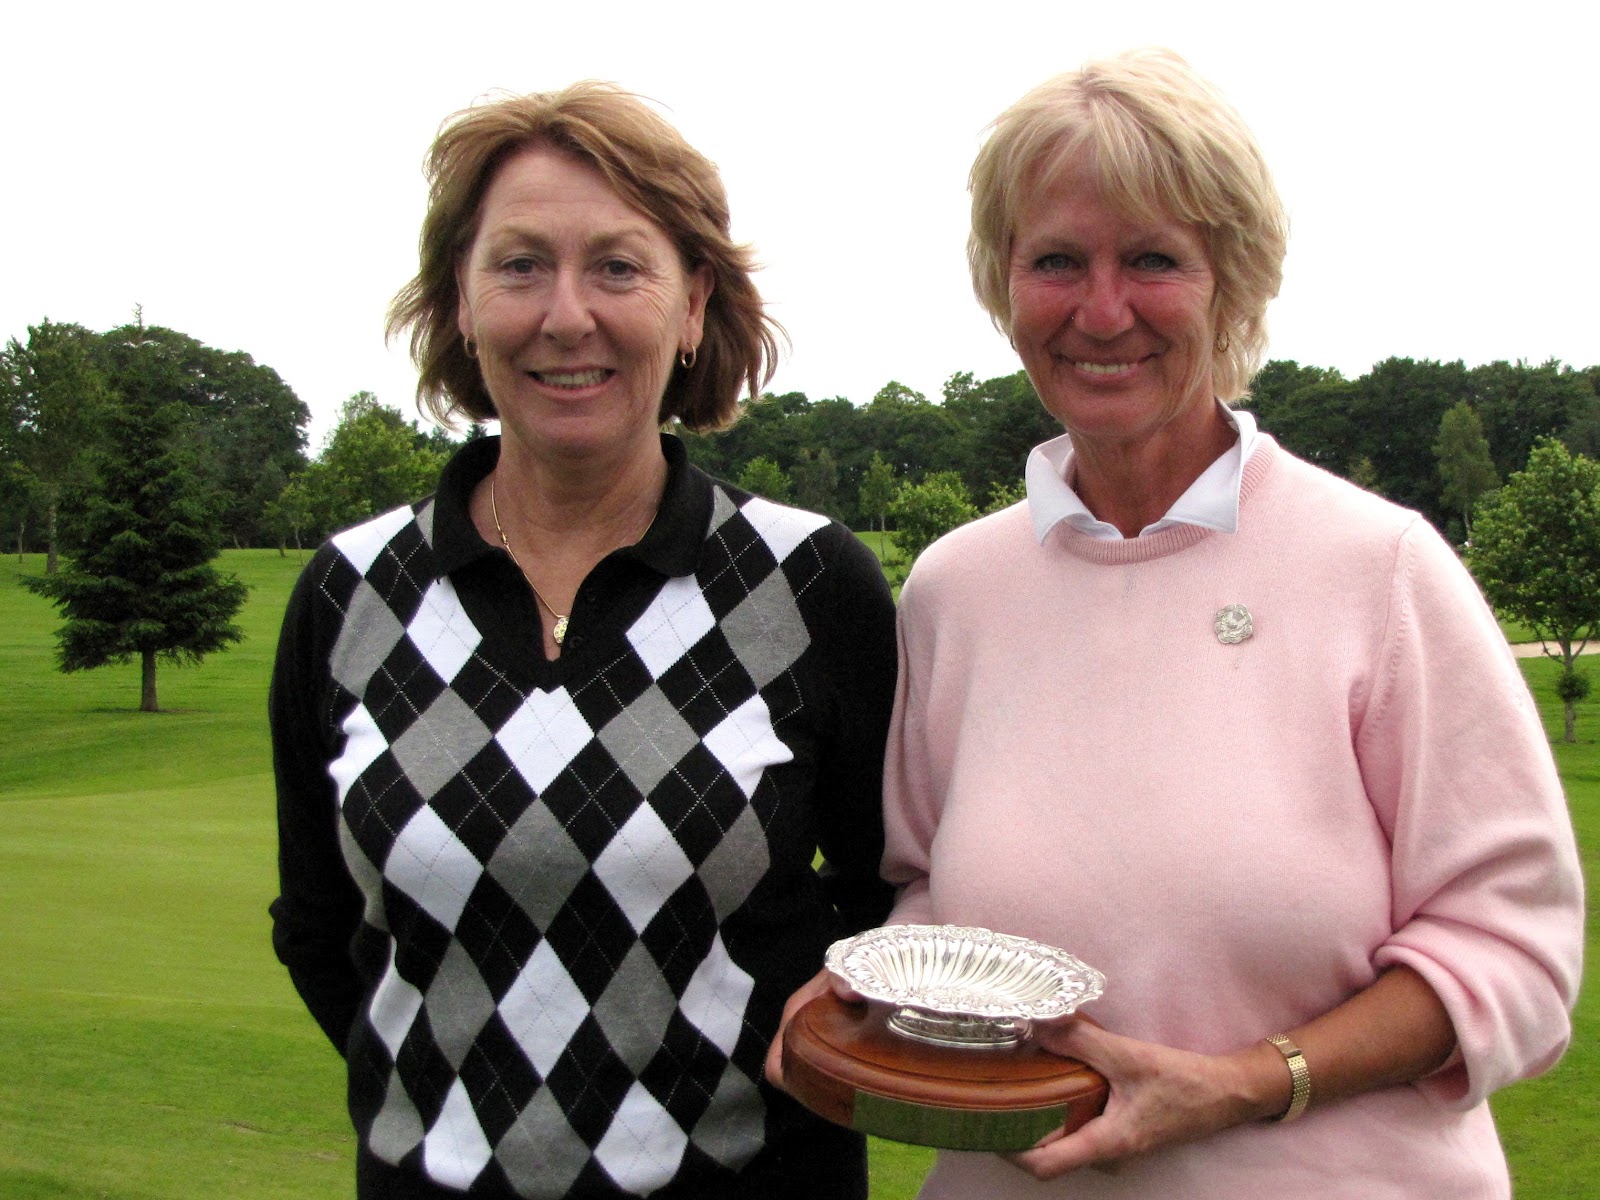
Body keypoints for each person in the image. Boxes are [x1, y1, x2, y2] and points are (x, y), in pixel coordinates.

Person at [865, 50, 1581, 1197]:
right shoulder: (954, 590)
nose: (1103, 310)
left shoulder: (1381, 568)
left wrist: (1252, 1079)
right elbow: (925, 894)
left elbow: (1517, 955)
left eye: (1153, 259)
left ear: (1231, 282)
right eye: (1056, 260)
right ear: (1005, 287)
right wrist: (868, 995)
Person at [269, 82, 897, 1200]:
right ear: (459, 302)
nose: (567, 316)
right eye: (518, 266)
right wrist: (462, 1122)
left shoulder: (807, 582)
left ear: (694, 302)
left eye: (618, 266)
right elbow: (320, 930)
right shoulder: (352, 591)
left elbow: (878, 911)